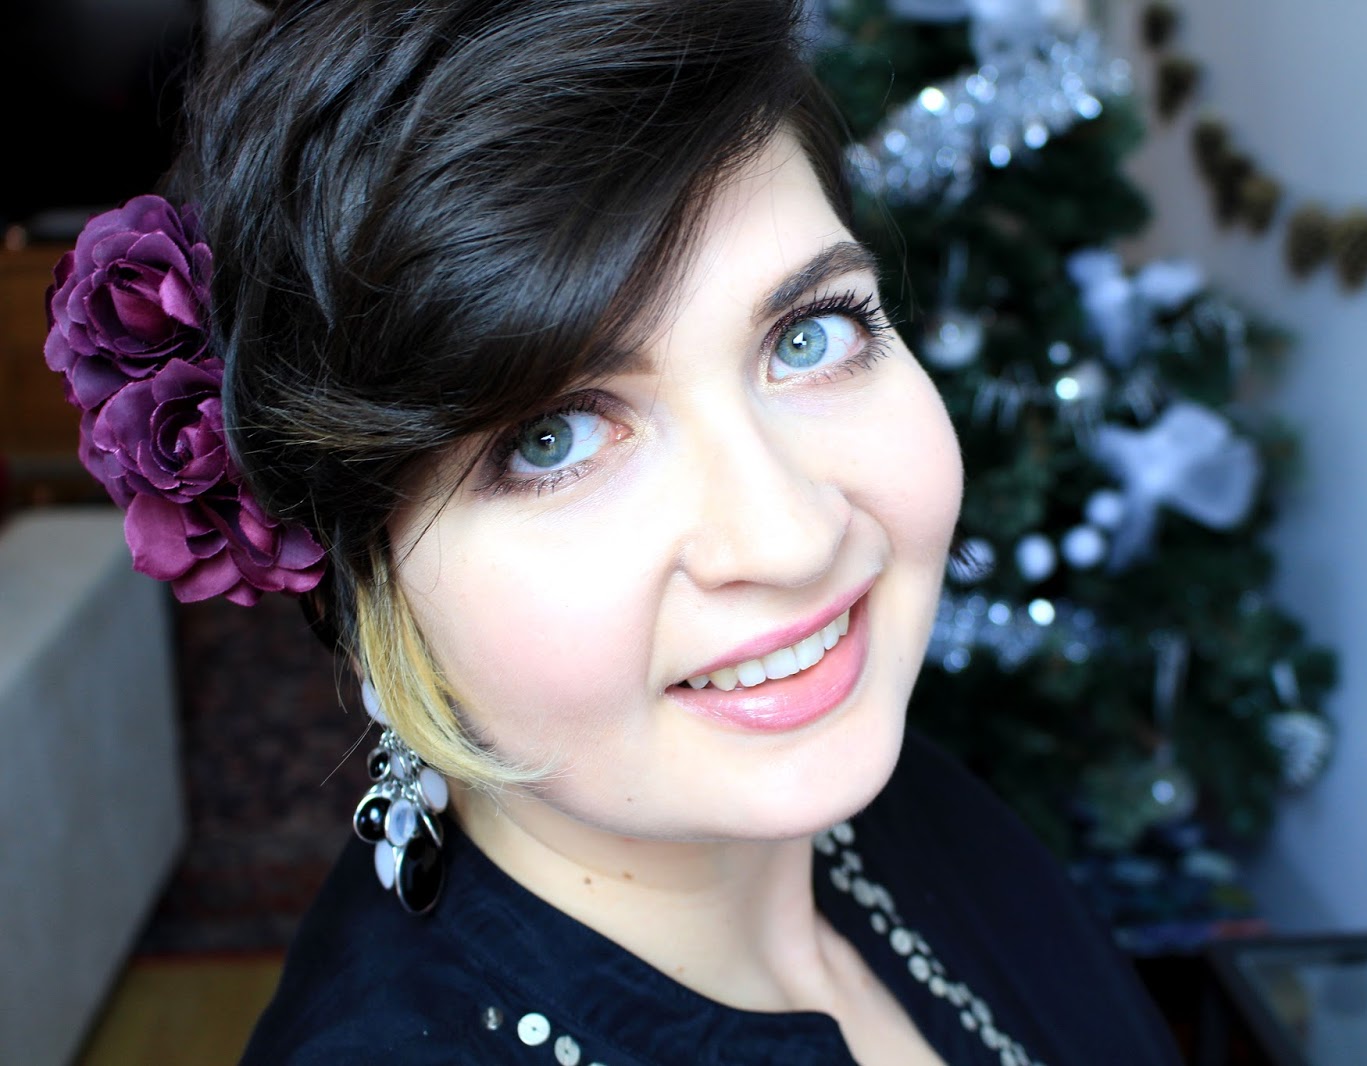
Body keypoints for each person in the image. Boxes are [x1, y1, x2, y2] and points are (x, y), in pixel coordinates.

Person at [44, 0, 1182, 1062]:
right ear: (363, 568)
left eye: (810, 335)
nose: (791, 539)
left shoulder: (920, 808)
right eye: (554, 438)